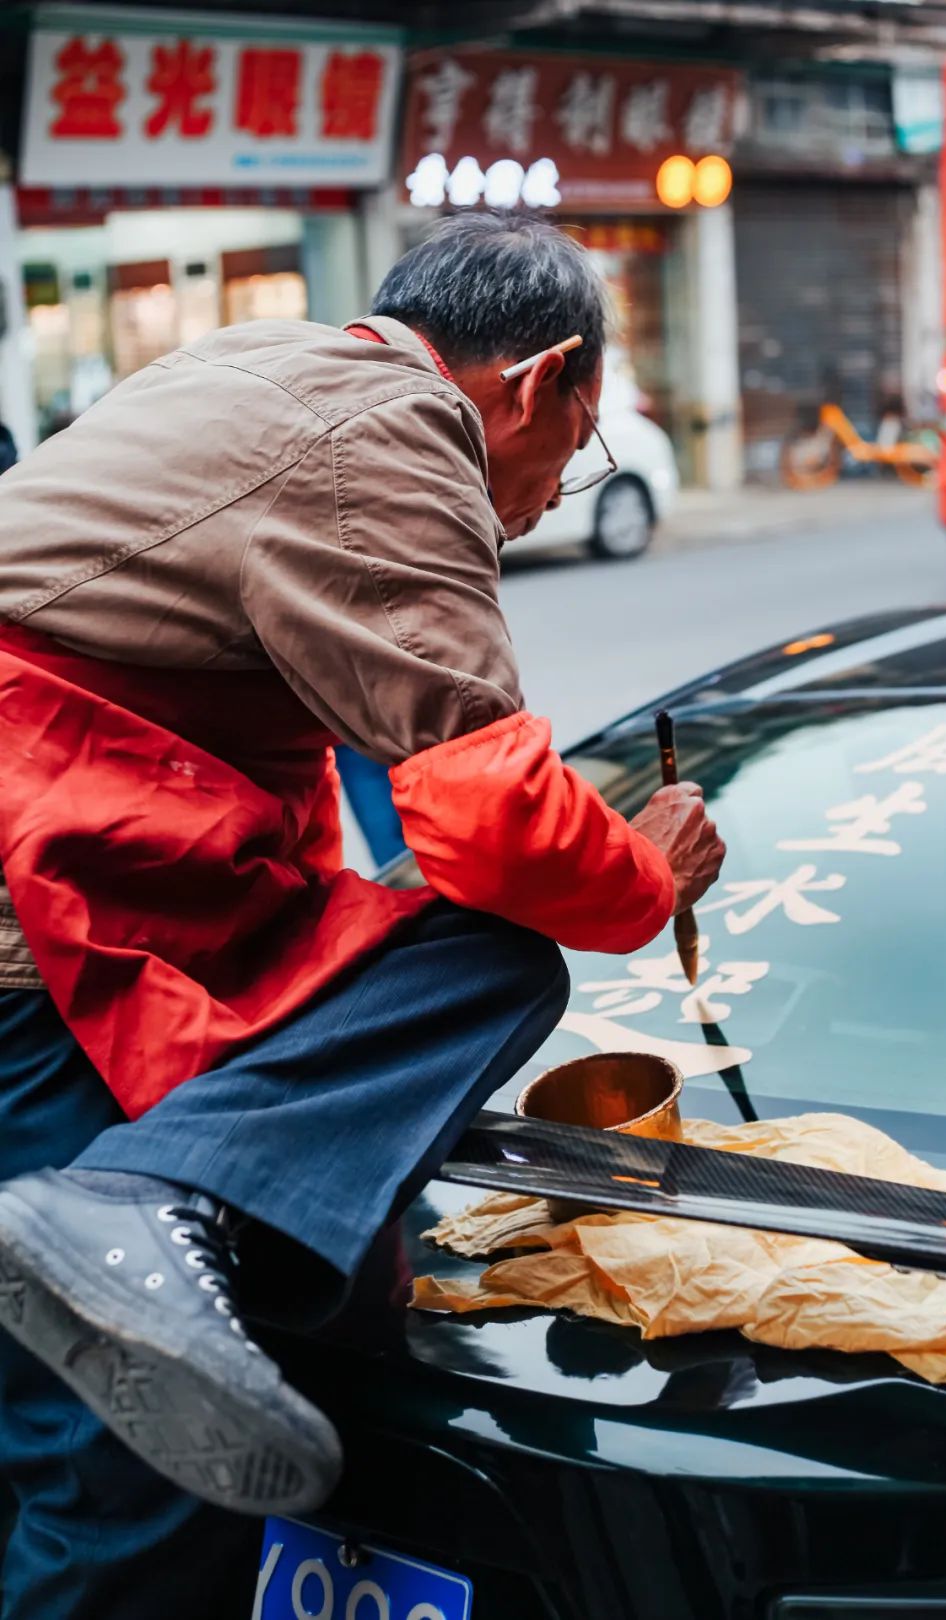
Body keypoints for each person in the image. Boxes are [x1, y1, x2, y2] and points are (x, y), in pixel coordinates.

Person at [0, 212, 725, 1617]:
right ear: (543, 379)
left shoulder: (265, 366)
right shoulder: (389, 437)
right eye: (568, 461)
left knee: (48, 1437)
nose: (539, 500)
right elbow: (494, 827)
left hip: (104, 876)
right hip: (38, 918)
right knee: (122, 1480)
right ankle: (140, 1197)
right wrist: (647, 870)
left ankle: (165, 1202)